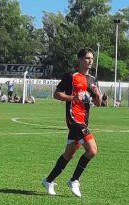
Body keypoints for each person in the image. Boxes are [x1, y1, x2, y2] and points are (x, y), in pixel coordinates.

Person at [42, 47, 101, 198]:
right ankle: (74, 180)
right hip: (74, 120)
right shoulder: (71, 76)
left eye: (92, 59)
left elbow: (98, 103)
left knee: (69, 154)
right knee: (92, 150)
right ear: (80, 59)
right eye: (87, 58)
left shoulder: (93, 80)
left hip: (84, 121)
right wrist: (73, 98)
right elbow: (56, 94)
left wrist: (98, 94)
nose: (90, 61)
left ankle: (48, 180)